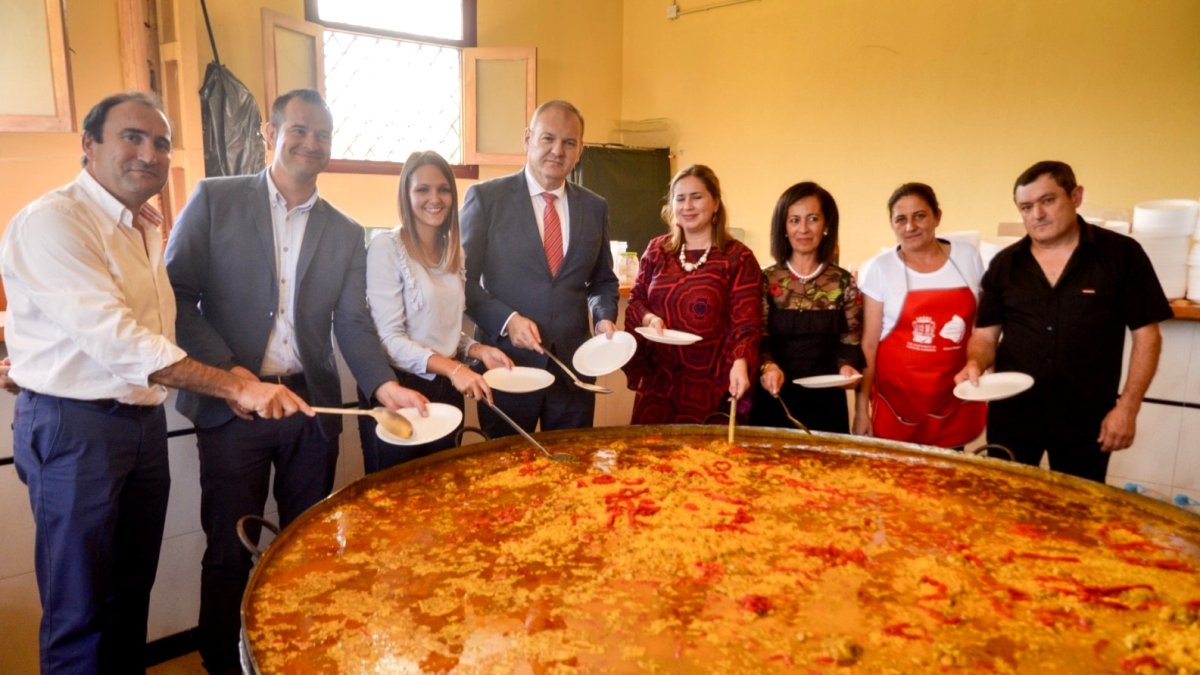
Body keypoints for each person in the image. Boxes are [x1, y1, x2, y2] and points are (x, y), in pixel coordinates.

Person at [0, 91, 310, 674]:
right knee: (80, 611)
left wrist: (32, 353)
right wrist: (235, 386)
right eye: (132, 137)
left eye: (162, 143)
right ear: (88, 145)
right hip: (75, 430)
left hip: (140, 424)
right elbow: (118, 337)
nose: (149, 153)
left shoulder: (142, 223)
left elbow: (141, 324)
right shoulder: (53, 220)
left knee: (127, 596)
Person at [165, 89, 427, 674]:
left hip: (310, 408)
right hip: (233, 409)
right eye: (300, 130)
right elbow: (175, 297)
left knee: (308, 545)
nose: (311, 143)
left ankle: (299, 658)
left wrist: (384, 387)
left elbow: (353, 322)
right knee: (231, 550)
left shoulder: (345, 230)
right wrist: (232, 379)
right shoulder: (214, 200)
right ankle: (221, 663)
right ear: (270, 131)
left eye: (323, 135)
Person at [956, 161, 1172, 482]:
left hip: (1086, 418)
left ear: (1076, 196)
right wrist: (974, 362)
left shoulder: (1121, 255)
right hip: (1014, 414)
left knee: (1078, 512)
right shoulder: (1005, 264)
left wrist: (1127, 408)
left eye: (1048, 200)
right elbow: (985, 336)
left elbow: (1147, 336)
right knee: (1006, 501)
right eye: (1026, 207)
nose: (1037, 214)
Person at [461, 100, 620, 437]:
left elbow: (603, 280)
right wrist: (506, 321)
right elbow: (461, 282)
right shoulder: (486, 199)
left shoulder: (595, 207)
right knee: (505, 475)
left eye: (569, 143)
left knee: (569, 471)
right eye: (547, 138)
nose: (557, 151)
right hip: (507, 366)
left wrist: (604, 315)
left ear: (580, 151)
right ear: (527, 138)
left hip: (574, 373)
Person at [361, 151, 512, 470]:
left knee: (443, 495)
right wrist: (455, 369)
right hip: (400, 391)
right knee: (397, 503)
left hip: (447, 392)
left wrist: (477, 349)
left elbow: (438, 328)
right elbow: (390, 338)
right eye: (422, 189)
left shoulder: (454, 251)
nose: (435, 198)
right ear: (406, 194)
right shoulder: (386, 247)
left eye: (443, 189)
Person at [623, 164, 762, 424]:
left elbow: (746, 323)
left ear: (716, 203)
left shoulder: (738, 257)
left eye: (697, 197)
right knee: (651, 460)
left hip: (713, 382)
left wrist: (741, 362)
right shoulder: (657, 250)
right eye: (680, 198)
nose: (687, 206)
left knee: (708, 462)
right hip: (659, 382)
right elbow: (636, 302)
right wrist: (649, 319)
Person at [855, 182, 986, 448]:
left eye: (920, 216)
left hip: (952, 398)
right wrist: (860, 409)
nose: (910, 226)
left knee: (947, 480)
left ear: (937, 216)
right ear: (891, 224)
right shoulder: (879, 269)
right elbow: (868, 345)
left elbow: (979, 329)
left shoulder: (968, 257)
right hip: (897, 404)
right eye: (900, 219)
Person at [751, 182, 863, 433]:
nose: (803, 229)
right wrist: (768, 366)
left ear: (826, 226)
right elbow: (759, 337)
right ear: (783, 227)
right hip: (774, 395)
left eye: (812, 219)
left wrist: (846, 367)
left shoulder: (843, 282)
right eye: (794, 220)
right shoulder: (766, 280)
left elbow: (850, 342)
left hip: (826, 400)